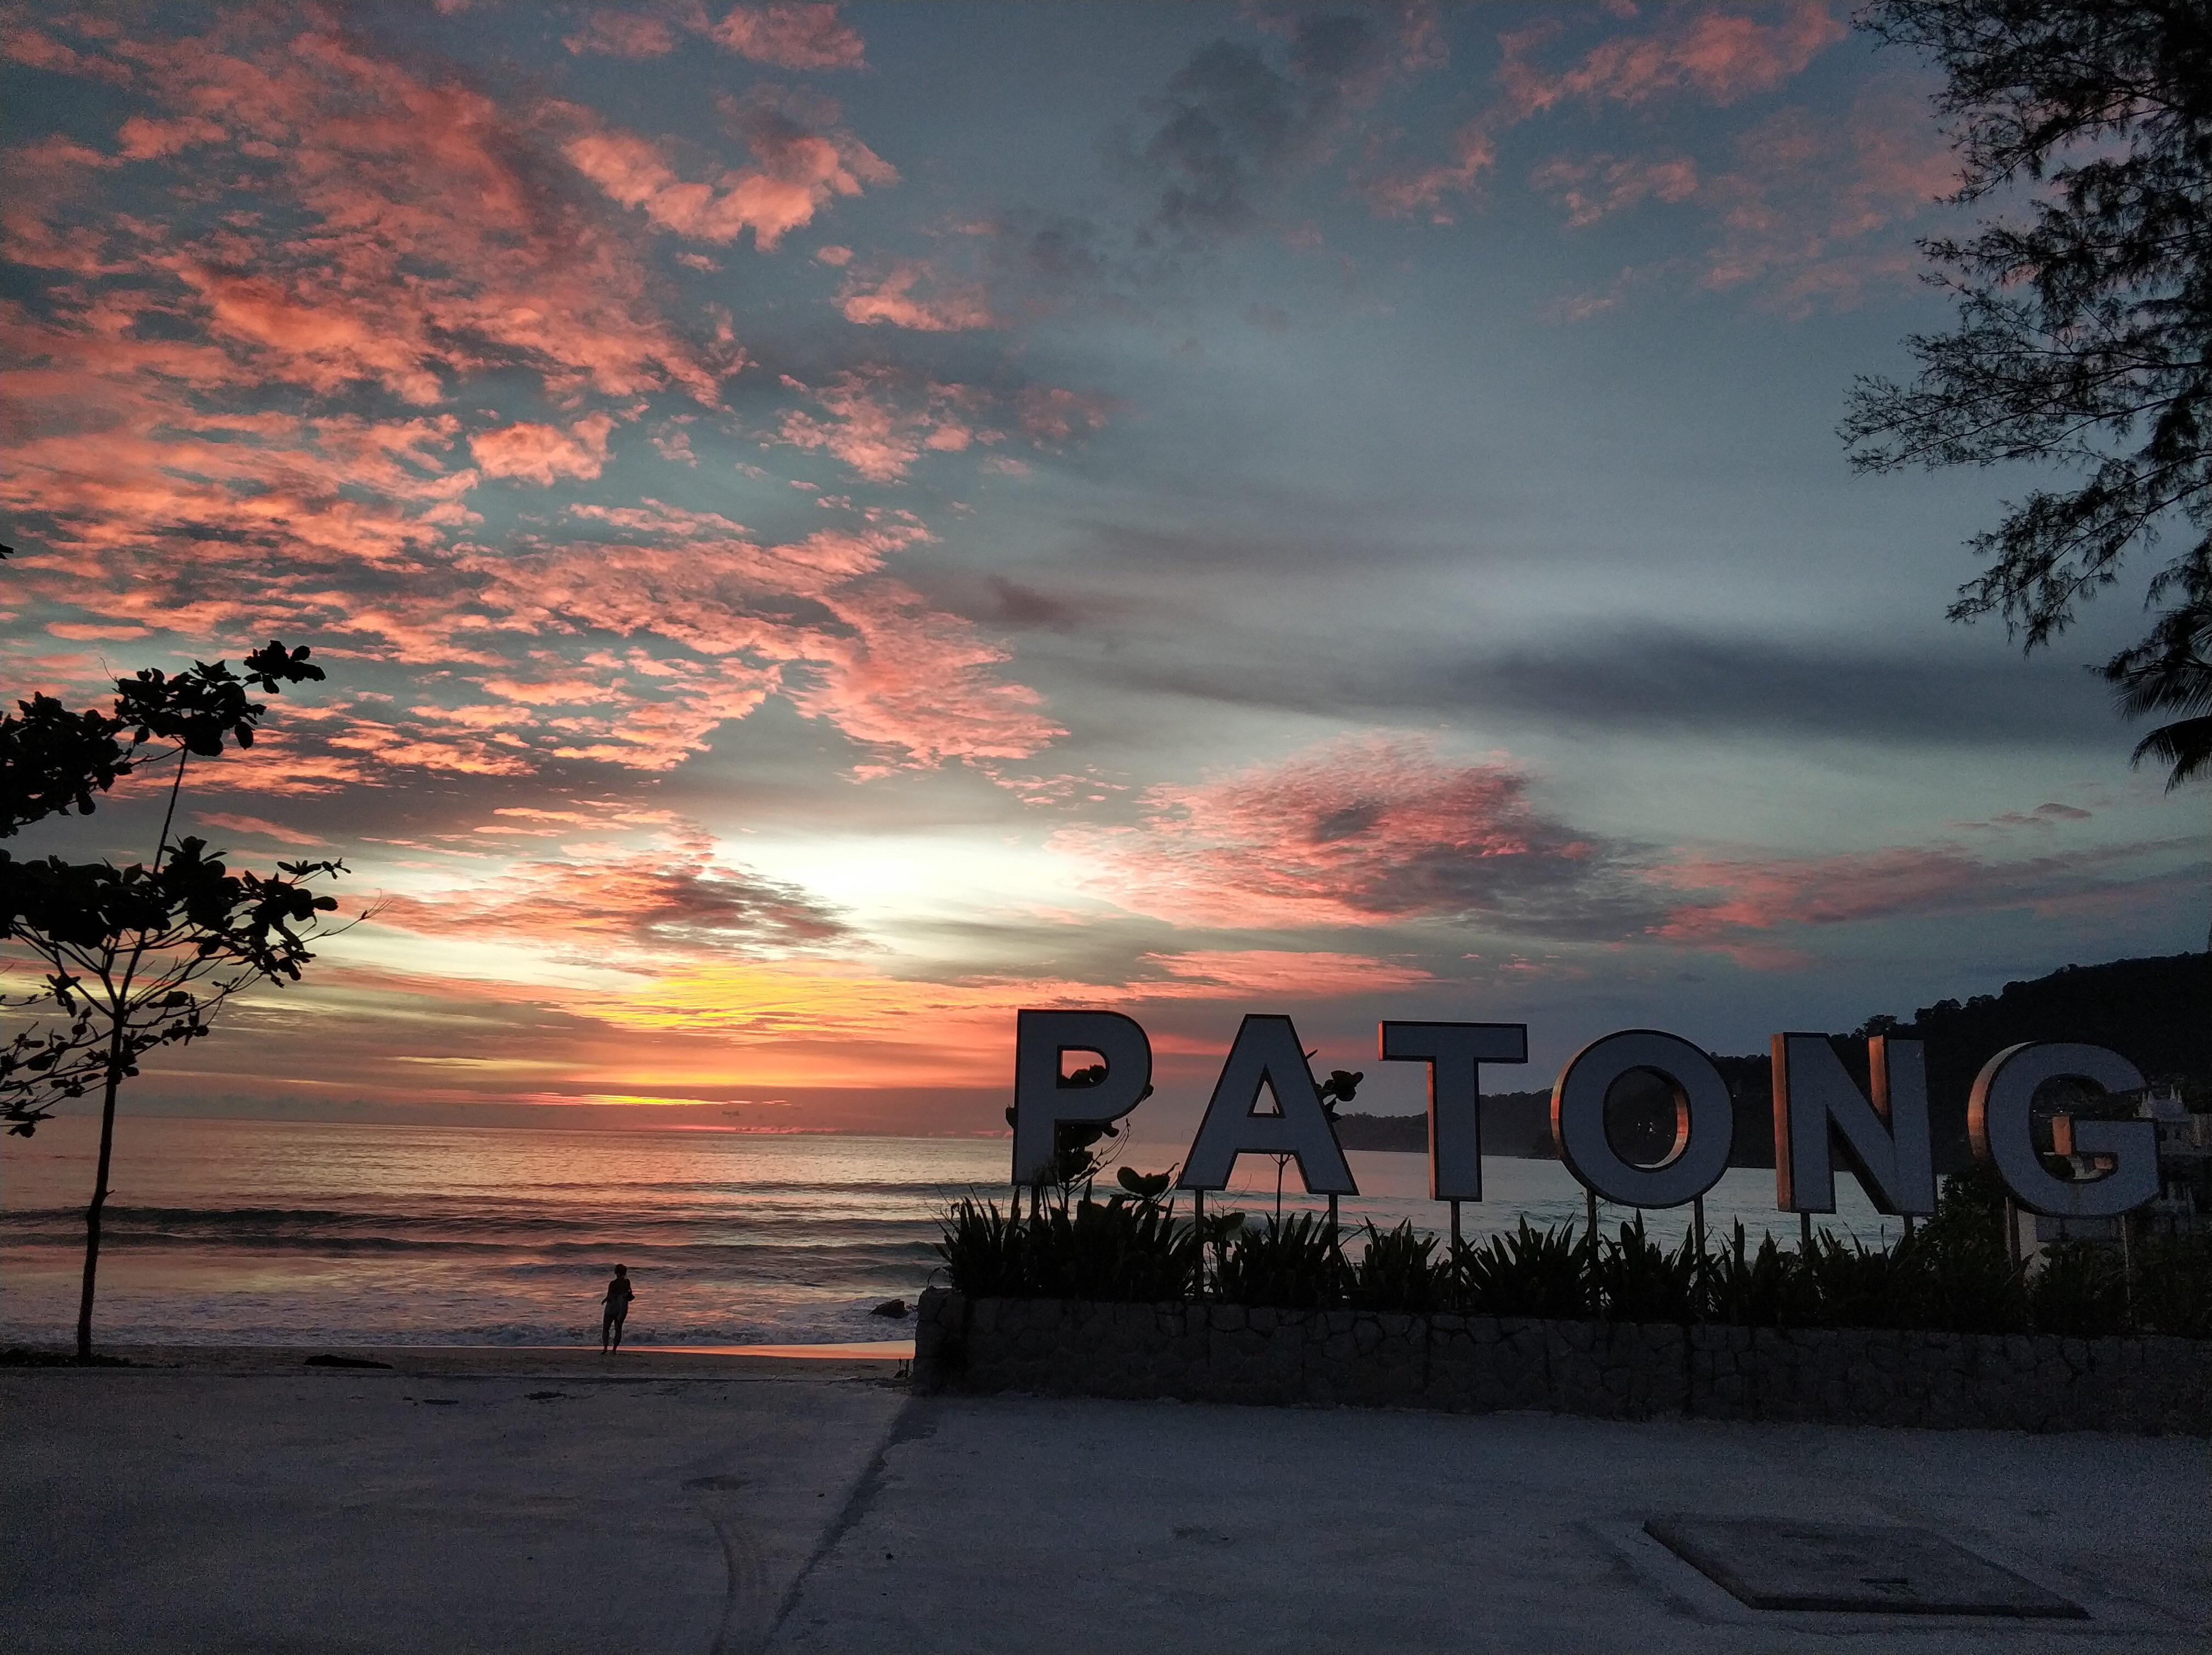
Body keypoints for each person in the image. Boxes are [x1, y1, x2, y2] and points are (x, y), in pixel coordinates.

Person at [600, 1264, 634, 1353]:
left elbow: (610, 1296)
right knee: (618, 1328)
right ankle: (614, 1349)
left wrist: (604, 1300)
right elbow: (628, 1294)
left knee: (606, 1328)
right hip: (622, 1308)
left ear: (617, 1273)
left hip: (612, 1307)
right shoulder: (627, 1282)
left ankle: (605, 1348)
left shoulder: (613, 1283)